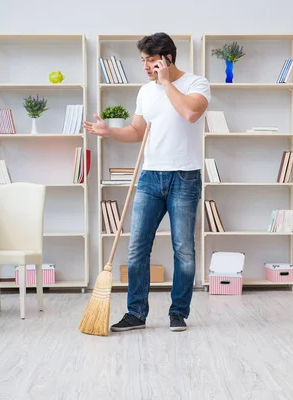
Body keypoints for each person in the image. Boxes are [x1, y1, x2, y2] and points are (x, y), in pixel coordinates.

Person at [83, 32, 211, 332]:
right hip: (150, 177)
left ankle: (178, 313)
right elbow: (138, 131)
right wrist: (109, 132)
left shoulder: (196, 84)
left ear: (167, 58)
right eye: (143, 60)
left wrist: (166, 82)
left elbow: (190, 113)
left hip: (185, 177)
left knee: (184, 250)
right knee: (137, 248)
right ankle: (136, 314)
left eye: (150, 60)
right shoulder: (145, 92)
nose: (145, 66)